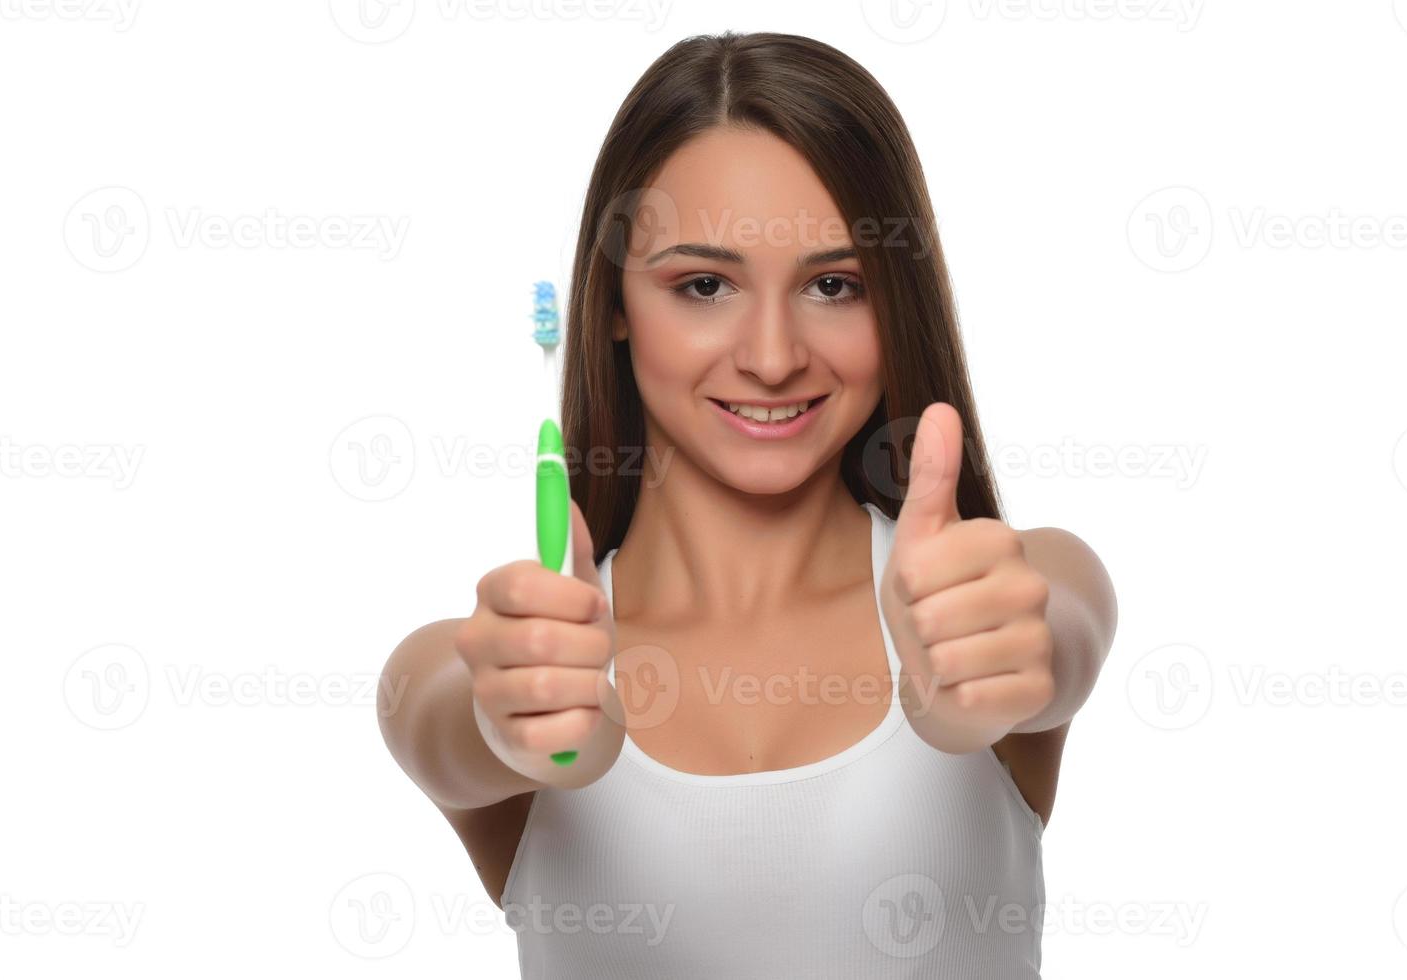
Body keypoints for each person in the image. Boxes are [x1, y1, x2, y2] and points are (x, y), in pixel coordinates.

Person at [379, 30, 1118, 978]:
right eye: (703, 285)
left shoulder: (1013, 586)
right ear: (613, 303)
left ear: (896, 300)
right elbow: (441, 723)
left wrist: (1009, 658)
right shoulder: (486, 664)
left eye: (832, 285)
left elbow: (1060, 625)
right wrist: (504, 718)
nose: (771, 356)